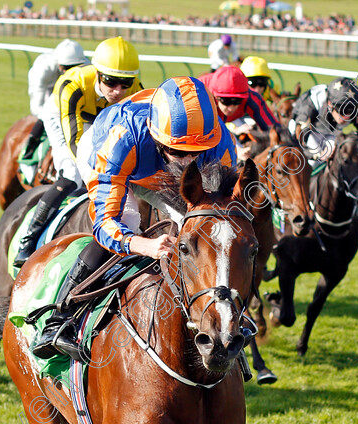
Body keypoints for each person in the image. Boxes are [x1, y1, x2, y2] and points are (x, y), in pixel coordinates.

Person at [31, 76, 239, 360]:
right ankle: (61, 317)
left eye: (195, 153)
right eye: (177, 151)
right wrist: (145, 245)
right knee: (127, 222)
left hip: (154, 163)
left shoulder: (220, 146)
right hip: (111, 155)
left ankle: (218, 317)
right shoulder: (121, 139)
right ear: (158, 138)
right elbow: (105, 224)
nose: (186, 162)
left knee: (203, 230)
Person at [13, 36, 143, 267]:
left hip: (100, 118)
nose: (118, 91)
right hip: (63, 116)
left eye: (126, 83)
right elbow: (76, 143)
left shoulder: (135, 90)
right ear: (98, 72)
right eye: (111, 82)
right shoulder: (71, 85)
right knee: (72, 172)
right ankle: (29, 238)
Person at [20, 39, 89, 162]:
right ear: (59, 65)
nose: (72, 72)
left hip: (71, 89)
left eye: (75, 67)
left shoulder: (87, 67)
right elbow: (37, 107)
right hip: (48, 88)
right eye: (68, 68)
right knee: (47, 113)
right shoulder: (42, 70)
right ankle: (31, 145)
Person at [289, 77, 358, 166]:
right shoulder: (313, 101)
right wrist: (316, 155)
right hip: (305, 131)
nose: (346, 117)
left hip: (331, 132)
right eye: (341, 110)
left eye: (350, 111)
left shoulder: (356, 104)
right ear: (330, 104)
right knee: (313, 163)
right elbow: (301, 136)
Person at [198, 65, 278, 156]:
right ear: (216, 96)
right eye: (226, 101)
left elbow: (276, 130)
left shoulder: (252, 98)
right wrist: (236, 149)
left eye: (237, 101)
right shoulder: (200, 95)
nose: (231, 108)